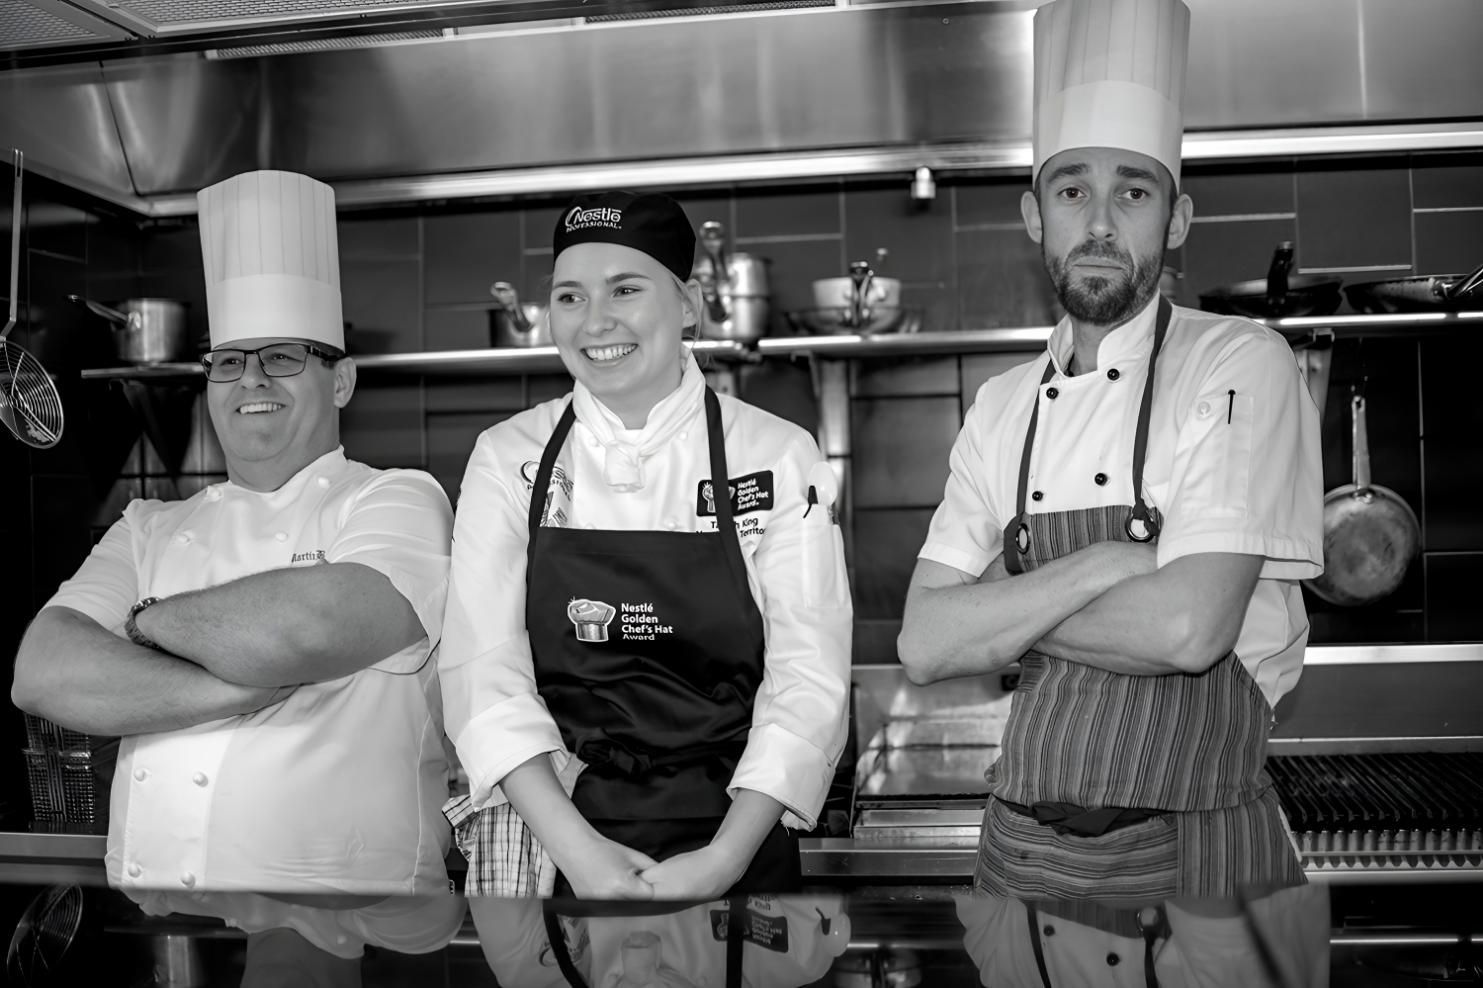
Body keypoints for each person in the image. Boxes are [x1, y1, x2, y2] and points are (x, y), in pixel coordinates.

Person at [898, 0, 1324, 900]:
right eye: (1070, 190)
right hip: (1017, 855)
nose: (1099, 221)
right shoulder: (1001, 404)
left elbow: (1187, 629)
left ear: (1174, 219)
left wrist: (998, 610)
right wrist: (1107, 563)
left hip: (1199, 865)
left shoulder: (1239, 360)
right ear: (1032, 214)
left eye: (1133, 190)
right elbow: (924, 643)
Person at [11, 170, 464, 987]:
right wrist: (245, 683)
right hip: (161, 908)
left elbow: (312, 626)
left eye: (281, 358)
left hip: (356, 911)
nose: (250, 382)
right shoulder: (151, 523)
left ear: (341, 379)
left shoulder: (397, 497)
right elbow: (42, 672)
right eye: (228, 362)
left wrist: (143, 625)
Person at [438, 190, 852, 908]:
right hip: (559, 836)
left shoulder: (775, 454)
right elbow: (482, 674)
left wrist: (721, 861)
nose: (595, 321)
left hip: (735, 830)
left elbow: (807, 682)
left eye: (625, 289)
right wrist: (580, 854)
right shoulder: (509, 455)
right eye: (570, 296)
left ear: (687, 303)